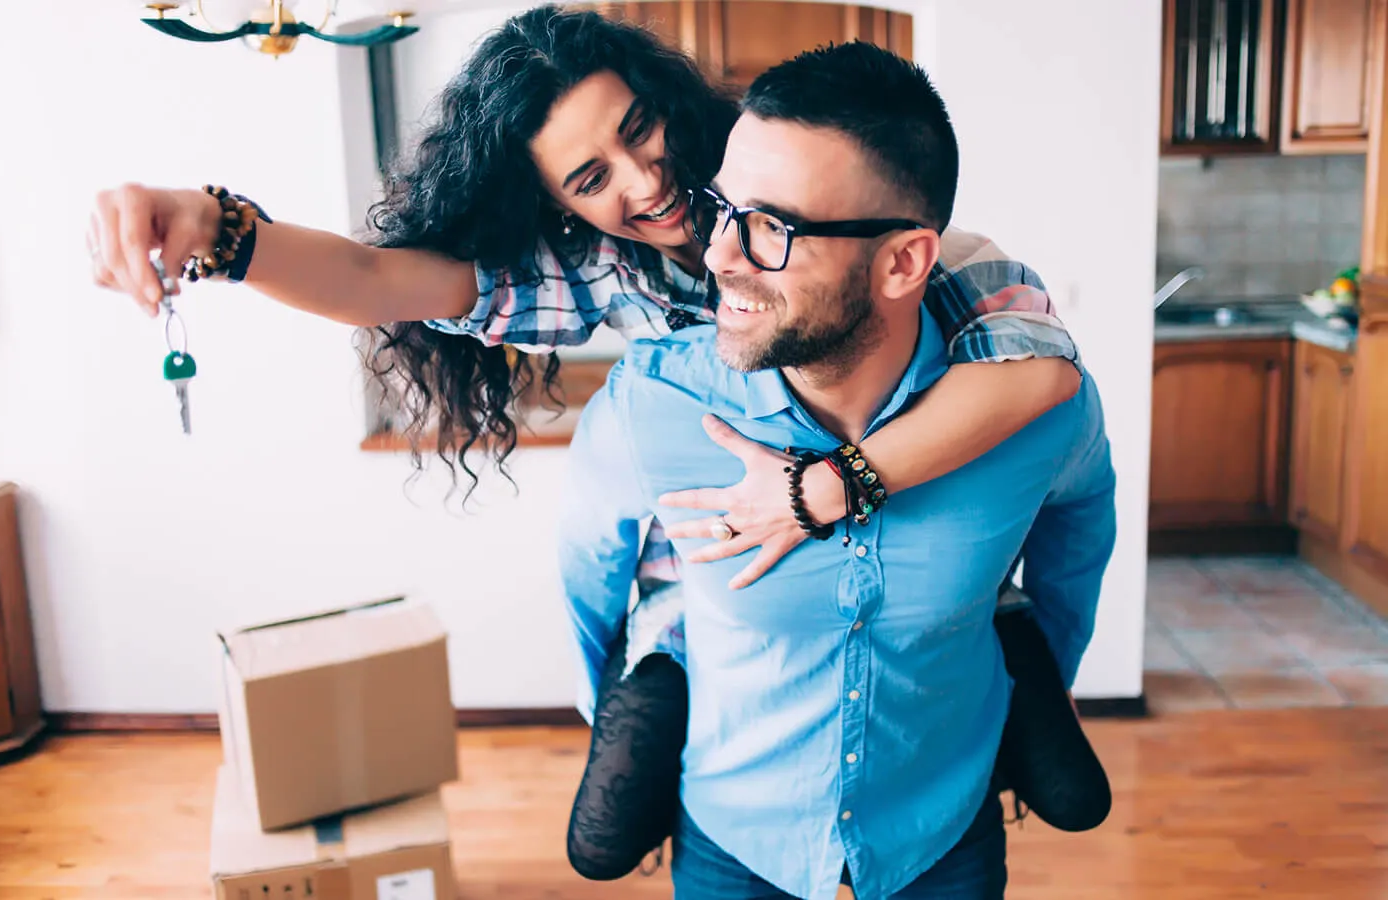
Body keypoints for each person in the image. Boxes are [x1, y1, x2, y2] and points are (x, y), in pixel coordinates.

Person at [84, 5, 1107, 881]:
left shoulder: (874, 229)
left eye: (639, 128)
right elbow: (369, 277)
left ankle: (997, 636)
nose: (644, 178)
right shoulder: (608, 281)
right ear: (558, 206)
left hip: (896, 531)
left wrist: (828, 489)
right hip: (707, 577)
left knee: (1005, 688)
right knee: (616, 804)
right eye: (590, 177)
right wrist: (220, 231)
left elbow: (1044, 372)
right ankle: (664, 672)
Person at [559, 40, 1118, 900]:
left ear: (904, 261)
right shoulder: (651, 412)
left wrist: (1051, 673)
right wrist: (618, 725)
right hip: (736, 832)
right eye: (724, 210)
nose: (718, 256)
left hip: (939, 826)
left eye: (772, 229)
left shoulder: (1036, 414)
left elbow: (1082, 523)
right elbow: (590, 589)